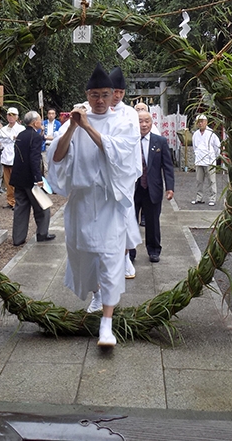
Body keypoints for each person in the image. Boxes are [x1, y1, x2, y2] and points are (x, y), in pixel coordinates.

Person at [49, 63, 140, 348]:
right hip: (82, 201)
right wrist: (72, 129)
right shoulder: (74, 121)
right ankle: (96, 294)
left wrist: (87, 126)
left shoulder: (124, 121)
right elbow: (57, 157)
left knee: (111, 257)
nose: (99, 101)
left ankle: (107, 323)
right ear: (87, 95)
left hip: (109, 202)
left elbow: (121, 155)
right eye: (94, 95)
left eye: (104, 95)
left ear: (114, 95)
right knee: (84, 255)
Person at [109, 66, 143, 278]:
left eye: (121, 92)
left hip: (123, 173)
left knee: (124, 215)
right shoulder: (98, 109)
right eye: (115, 91)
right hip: (103, 173)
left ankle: (125, 257)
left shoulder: (130, 113)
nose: (117, 95)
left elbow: (131, 142)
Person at [134, 111, 175, 263]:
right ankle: (130, 252)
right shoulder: (129, 141)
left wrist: (169, 187)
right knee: (130, 222)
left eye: (146, 121)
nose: (143, 125)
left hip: (153, 188)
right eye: (140, 121)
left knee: (152, 222)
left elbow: (168, 167)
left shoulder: (160, 141)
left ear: (152, 123)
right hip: (132, 188)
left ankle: (154, 250)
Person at [10, 111, 55, 246]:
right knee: (42, 207)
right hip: (30, 178)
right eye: (40, 121)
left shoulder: (20, 135)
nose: (41, 123)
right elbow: (34, 159)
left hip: (18, 177)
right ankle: (42, 233)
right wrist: (38, 178)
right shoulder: (35, 137)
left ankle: (18, 238)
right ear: (35, 122)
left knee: (20, 208)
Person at [0, 107, 25, 209]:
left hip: (15, 158)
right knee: (8, 182)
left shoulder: (21, 129)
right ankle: (10, 201)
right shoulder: (3, 129)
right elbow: (0, 145)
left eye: (13, 115)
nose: (11, 117)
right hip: (5, 158)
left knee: (16, 182)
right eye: (9, 115)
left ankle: (18, 201)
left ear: (17, 117)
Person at [191, 114, 221, 206]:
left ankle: (212, 198)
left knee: (212, 180)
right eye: (198, 122)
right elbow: (195, 147)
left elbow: (217, 147)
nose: (200, 123)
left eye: (202, 121)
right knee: (199, 180)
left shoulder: (211, 133)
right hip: (199, 160)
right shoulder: (195, 134)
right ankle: (199, 197)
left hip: (209, 160)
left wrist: (214, 157)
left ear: (206, 122)